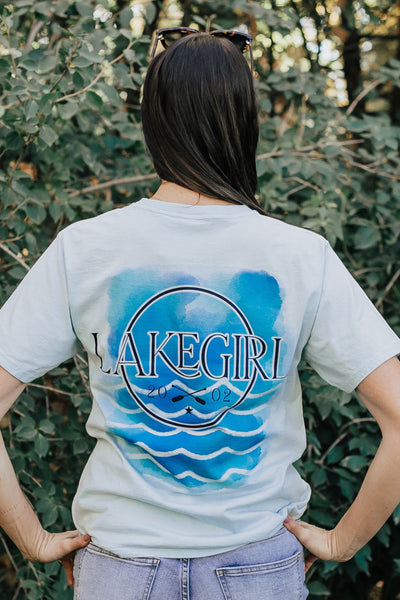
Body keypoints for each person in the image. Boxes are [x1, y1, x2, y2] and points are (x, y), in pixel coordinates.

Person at [0, 29, 400, 600]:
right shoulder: (298, 255)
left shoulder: (86, 249)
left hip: (120, 567)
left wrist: (32, 539)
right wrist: (342, 541)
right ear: (244, 120)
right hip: (257, 563)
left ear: (154, 120)